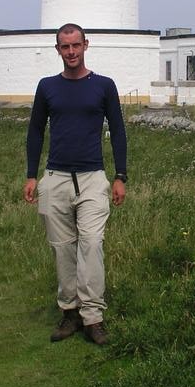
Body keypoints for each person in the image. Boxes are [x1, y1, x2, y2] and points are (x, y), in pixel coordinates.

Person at [23, 23, 127, 346]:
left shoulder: (104, 86)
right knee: (62, 249)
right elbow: (36, 131)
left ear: (86, 45)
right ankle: (70, 313)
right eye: (65, 47)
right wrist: (31, 175)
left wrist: (120, 176)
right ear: (58, 50)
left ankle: (93, 316)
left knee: (92, 245)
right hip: (55, 180)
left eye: (76, 45)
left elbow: (119, 131)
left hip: (93, 179)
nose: (71, 52)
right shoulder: (47, 87)